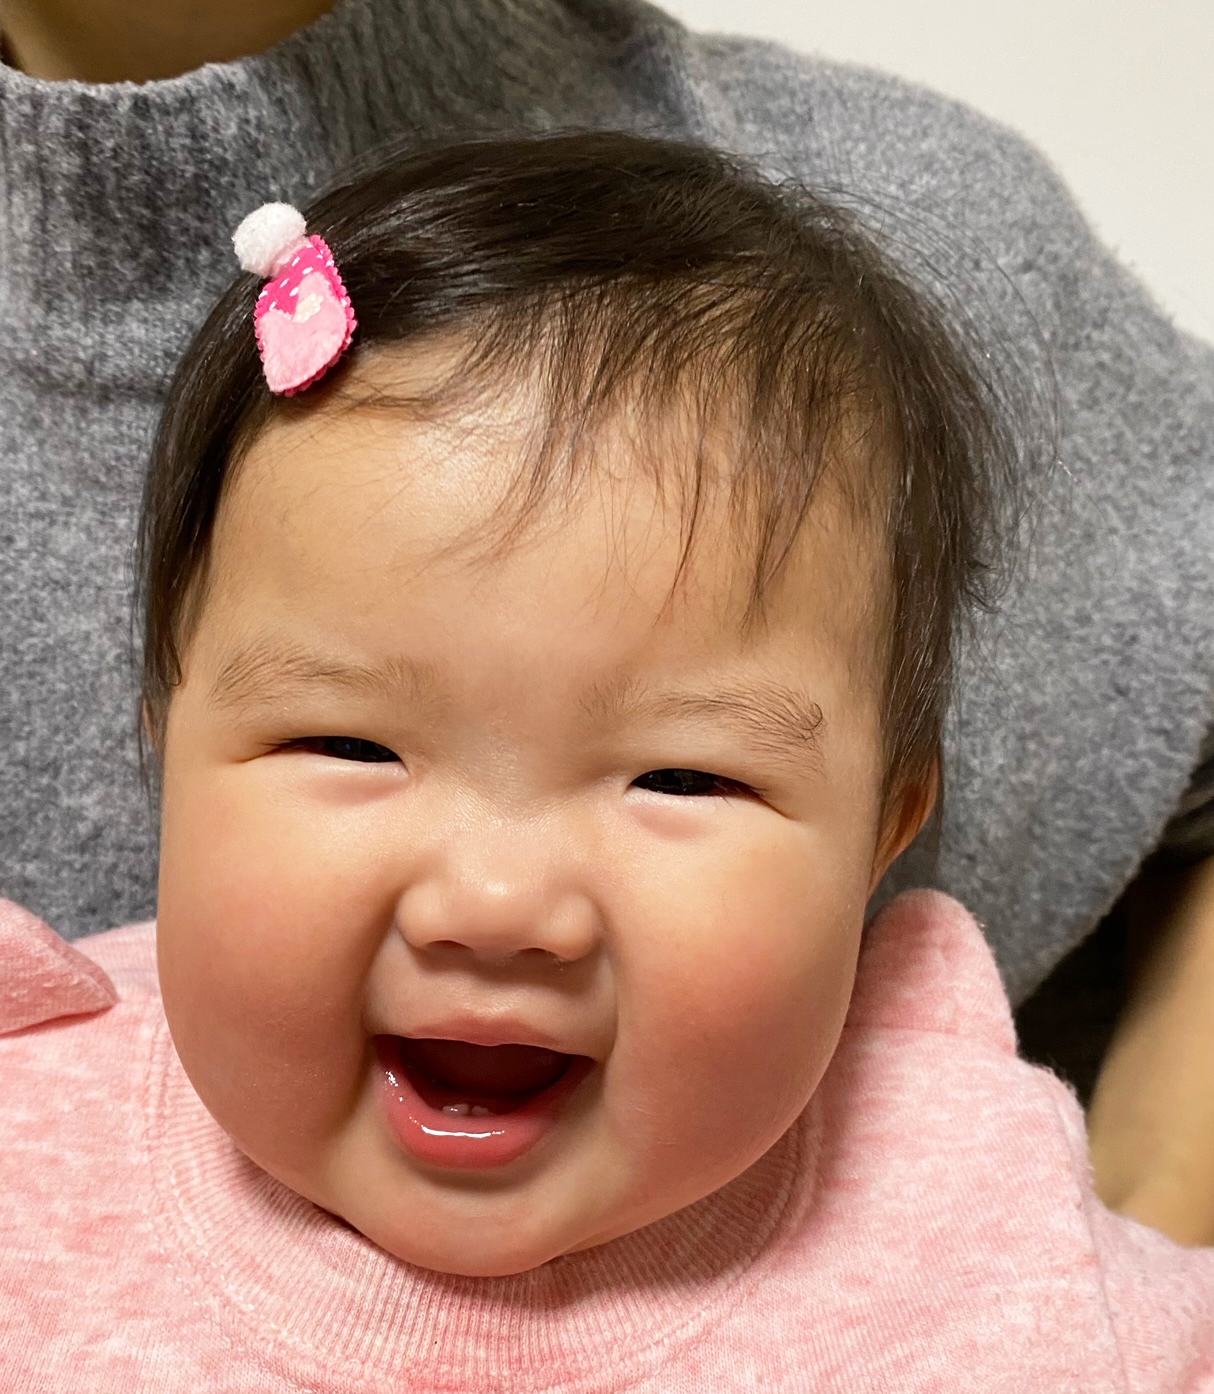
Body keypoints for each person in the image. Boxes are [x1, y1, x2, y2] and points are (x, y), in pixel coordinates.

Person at [3, 132, 1214, 1390]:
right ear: (166, 738)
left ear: (882, 829)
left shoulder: (990, 1244)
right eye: (348, 743)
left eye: (680, 778)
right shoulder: (29, 1165)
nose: (497, 906)